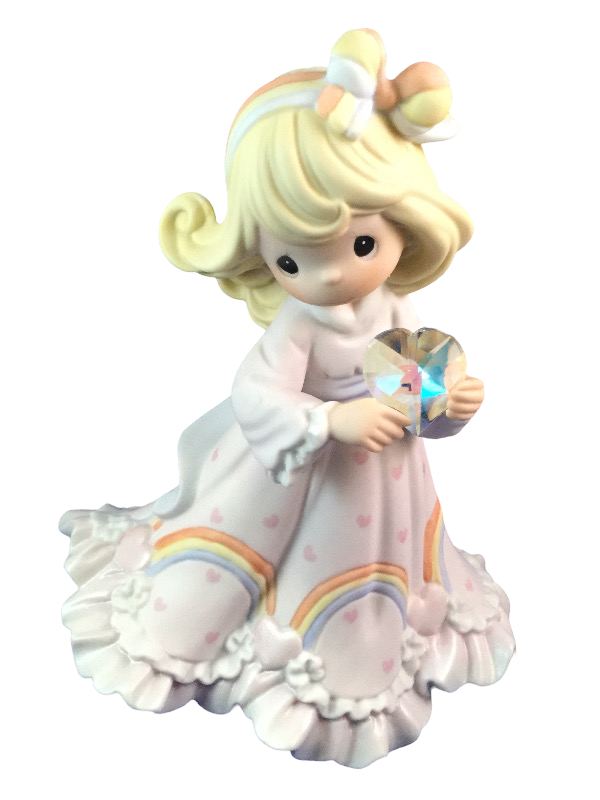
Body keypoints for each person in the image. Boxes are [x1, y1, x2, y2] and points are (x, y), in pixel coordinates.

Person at [61, 29, 515, 768]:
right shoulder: (301, 325)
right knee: (274, 564)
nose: (330, 276)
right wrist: (332, 418)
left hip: (389, 480)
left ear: (404, 227)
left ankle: (369, 646)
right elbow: (256, 390)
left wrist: (450, 408)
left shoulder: (396, 313)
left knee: (385, 564)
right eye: (292, 259)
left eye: (361, 246)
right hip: (296, 473)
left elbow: (419, 396)